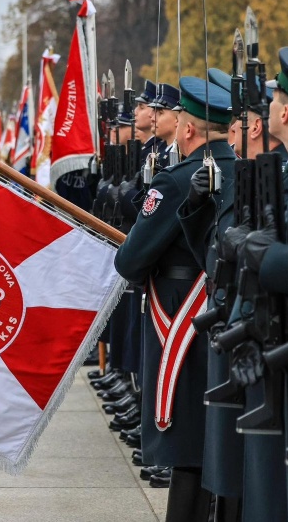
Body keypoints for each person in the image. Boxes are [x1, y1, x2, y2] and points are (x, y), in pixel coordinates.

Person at [116, 76, 236, 522]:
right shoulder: (244, 172)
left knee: (188, 444)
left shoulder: (176, 181)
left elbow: (130, 261)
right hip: (222, 314)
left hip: (181, 314)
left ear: (187, 130)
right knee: (218, 438)